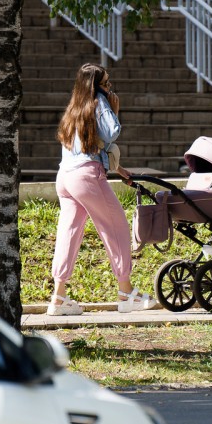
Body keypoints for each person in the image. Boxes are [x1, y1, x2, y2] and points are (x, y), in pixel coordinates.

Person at [48, 63, 157, 315]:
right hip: (87, 177)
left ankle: (58, 298)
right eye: (106, 83)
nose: (110, 88)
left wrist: (119, 169)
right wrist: (114, 110)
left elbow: (89, 146)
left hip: (65, 176)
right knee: (116, 226)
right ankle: (126, 292)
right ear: (95, 87)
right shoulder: (99, 101)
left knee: (69, 232)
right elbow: (112, 132)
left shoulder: (75, 107)